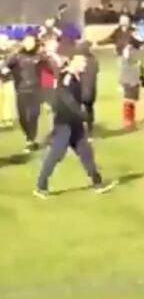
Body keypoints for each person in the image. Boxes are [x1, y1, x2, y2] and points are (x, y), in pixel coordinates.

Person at [33, 52, 118, 199]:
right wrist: (82, 115)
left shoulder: (75, 77)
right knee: (56, 154)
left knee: (85, 153)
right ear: (74, 62)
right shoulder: (67, 78)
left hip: (75, 123)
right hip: (64, 123)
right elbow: (68, 100)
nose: (85, 65)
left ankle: (97, 183)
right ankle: (41, 186)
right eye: (82, 63)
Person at [6, 35, 46, 152]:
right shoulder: (16, 57)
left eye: (31, 42)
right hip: (21, 90)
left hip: (36, 90)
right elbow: (5, 67)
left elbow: (46, 73)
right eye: (26, 42)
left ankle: (30, 139)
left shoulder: (40, 57)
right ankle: (28, 135)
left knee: (33, 116)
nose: (28, 44)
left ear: (35, 43)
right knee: (23, 118)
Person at [119, 44, 144, 129]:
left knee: (130, 101)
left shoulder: (132, 59)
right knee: (129, 102)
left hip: (131, 81)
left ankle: (129, 120)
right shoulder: (133, 59)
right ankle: (128, 120)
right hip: (131, 81)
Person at [76, 41, 99, 138]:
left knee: (77, 109)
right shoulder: (94, 60)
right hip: (91, 89)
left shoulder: (79, 60)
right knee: (89, 108)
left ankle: (80, 130)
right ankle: (90, 129)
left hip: (80, 88)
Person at [0, 35, 16, 128]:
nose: (3, 44)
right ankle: (1, 119)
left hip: (8, 79)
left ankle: (8, 119)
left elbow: (11, 66)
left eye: (4, 42)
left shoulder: (11, 55)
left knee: (8, 100)